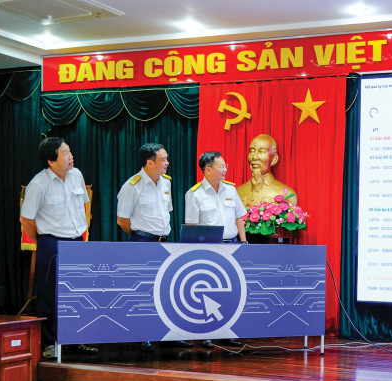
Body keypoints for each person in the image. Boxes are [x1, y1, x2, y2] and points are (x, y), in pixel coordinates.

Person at [20, 137, 98, 359]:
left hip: (77, 241)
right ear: (51, 161)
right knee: (50, 294)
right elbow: (26, 219)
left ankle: (75, 339)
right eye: (65, 153)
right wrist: (42, 241)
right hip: (52, 242)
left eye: (69, 151)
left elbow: (83, 206)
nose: (71, 156)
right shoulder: (38, 184)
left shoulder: (77, 175)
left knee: (79, 293)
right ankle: (49, 343)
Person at [116, 143, 192, 352]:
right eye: (163, 159)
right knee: (144, 291)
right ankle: (143, 335)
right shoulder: (132, 186)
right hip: (143, 242)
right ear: (150, 163)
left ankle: (168, 335)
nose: (167, 163)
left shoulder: (166, 182)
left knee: (166, 289)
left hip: (164, 242)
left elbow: (166, 213)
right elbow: (122, 221)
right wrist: (141, 236)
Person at [185, 151, 248, 348]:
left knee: (231, 290)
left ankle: (228, 332)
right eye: (221, 166)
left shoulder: (231, 190)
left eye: (225, 165)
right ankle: (207, 333)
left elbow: (239, 218)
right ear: (208, 169)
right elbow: (191, 227)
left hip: (232, 245)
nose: (225, 169)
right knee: (207, 291)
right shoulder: (194, 194)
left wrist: (243, 242)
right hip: (209, 248)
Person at [236, 134, 297, 207]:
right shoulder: (237, 192)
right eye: (252, 151)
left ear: (274, 159)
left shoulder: (287, 195)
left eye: (262, 151)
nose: (254, 157)